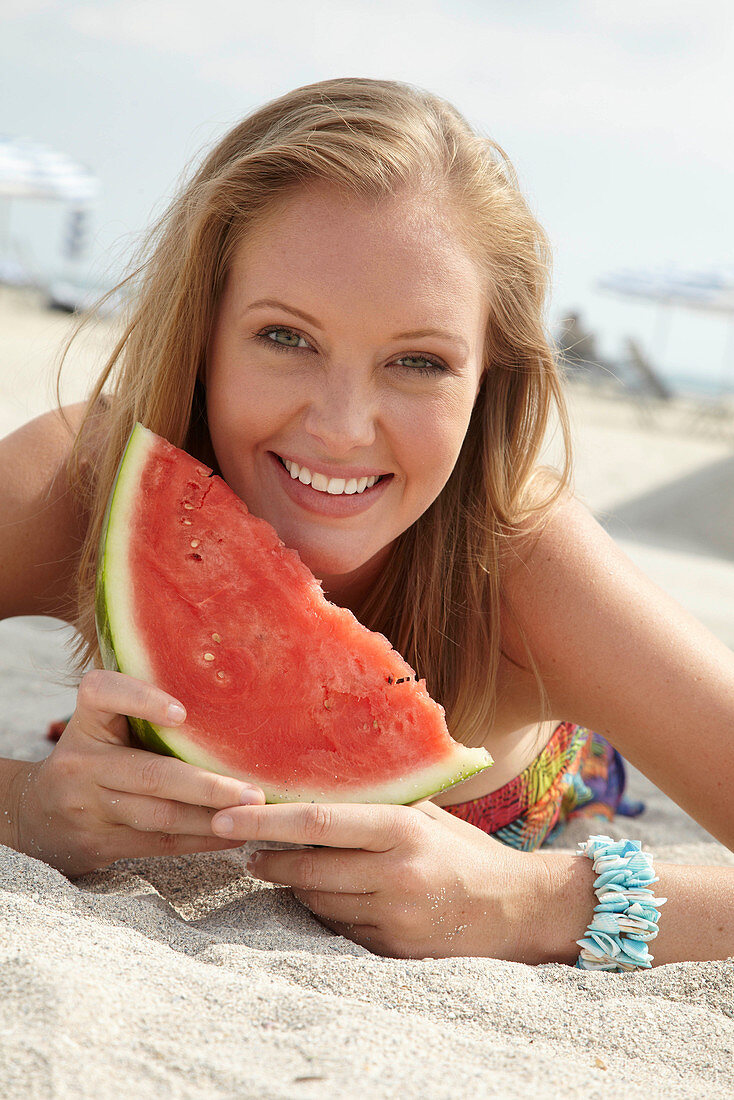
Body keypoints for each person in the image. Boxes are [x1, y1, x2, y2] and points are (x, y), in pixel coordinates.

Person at [0, 78, 731, 968]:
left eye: (418, 361)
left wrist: (538, 900)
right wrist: (28, 806)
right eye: (286, 338)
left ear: (488, 380)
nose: (343, 428)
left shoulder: (527, 561)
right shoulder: (82, 480)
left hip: (557, 796)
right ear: (204, 332)